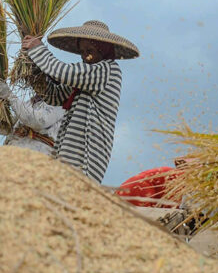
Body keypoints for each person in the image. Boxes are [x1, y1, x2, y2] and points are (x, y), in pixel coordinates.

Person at [21, 20, 139, 183]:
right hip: (69, 150)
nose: (85, 56)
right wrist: (34, 71)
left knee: (74, 190)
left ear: (103, 49)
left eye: (90, 50)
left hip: (85, 154)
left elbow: (64, 72)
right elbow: (54, 95)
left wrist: (37, 49)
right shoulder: (85, 78)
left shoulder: (107, 70)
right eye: (82, 51)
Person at [0, 80, 65, 155]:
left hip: (36, 154)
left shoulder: (59, 105)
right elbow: (5, 130)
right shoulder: (31, 102)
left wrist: (9, 96)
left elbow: (38, 121)